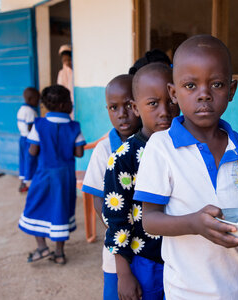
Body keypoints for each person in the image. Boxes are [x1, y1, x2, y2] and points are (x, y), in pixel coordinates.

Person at [133, 35, 238, 299]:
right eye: (190, 85)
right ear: (174, 93)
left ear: (231, 90)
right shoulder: (161, 148)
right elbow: (150, 220)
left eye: (216, 84)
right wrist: (194, 224)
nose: (204, 94)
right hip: (187, 289)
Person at [103, 62, 180, 300]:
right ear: (136, 108)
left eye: (171, 100)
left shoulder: (187, 149)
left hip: (185, 257)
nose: (164, 111)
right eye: (153, 104)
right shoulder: (123, 158)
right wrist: (123, 273)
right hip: (146, 260)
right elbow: (116, 220)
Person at [82, 74, 141, 299]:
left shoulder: (154, 144)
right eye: (113, 108)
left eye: (128, 105)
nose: (121, 114)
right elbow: (98, 199)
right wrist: (115, 231)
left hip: (151, 244)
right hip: (117, 246)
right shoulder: (104, 150)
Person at [18, 85, 86, 265]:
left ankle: (42, 247)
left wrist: (27, 176)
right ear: (64, 106)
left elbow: (32, 151)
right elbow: (79, 153)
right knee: (60, 210)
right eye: (70, 101)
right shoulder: (74, 126)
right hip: (65, 176)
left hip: (44, 175)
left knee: (34, 207)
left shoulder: (39, 124)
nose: (72, 104)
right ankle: (59, 253)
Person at [16, 87, 40, 192]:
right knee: (31, 160)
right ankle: (32, 183)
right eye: (37, 99)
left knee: (23, 160)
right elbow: (31, 128)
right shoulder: (31, 111)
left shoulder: (21, 109)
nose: (38, 102)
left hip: (22, 138)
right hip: (29, 140)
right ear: (30, 99)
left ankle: (23, 183)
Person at [57, 44, 74, 115]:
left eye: (69, 60)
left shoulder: (76, 72)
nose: (67, 62)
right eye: (64, 60)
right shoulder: (61, 73)